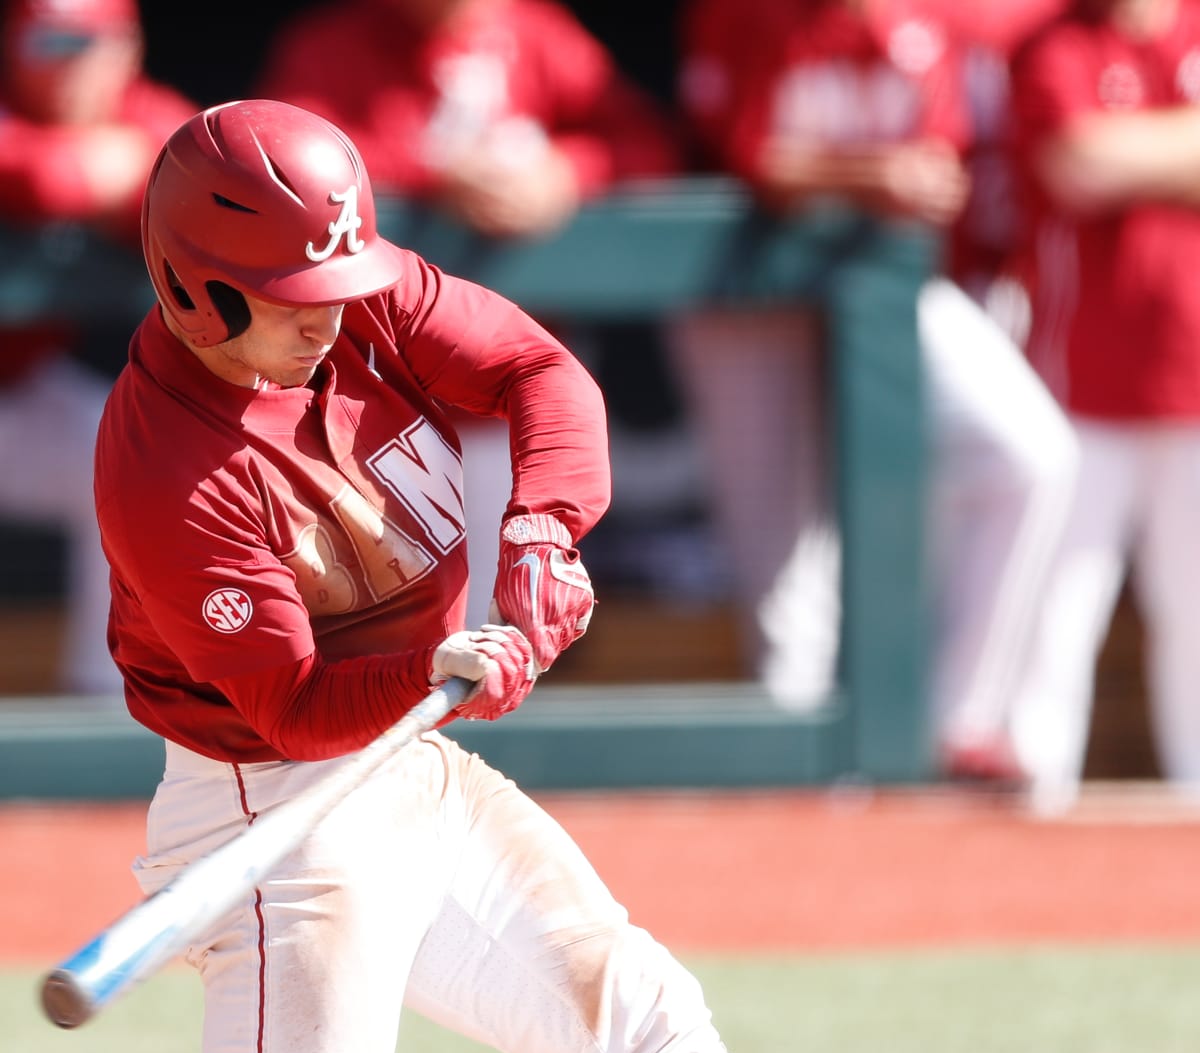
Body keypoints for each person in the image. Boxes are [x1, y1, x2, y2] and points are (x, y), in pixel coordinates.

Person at [55, 98, 825, 1053]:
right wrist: (434, 673)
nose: (330, 319)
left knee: (651, 1027)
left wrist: (541, 526)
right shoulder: (168, 468)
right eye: (290, 303)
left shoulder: (355, 290)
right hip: (274, 808)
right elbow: (293, 709)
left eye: (337, 284)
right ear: (192, 288)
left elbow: (537, 370)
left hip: (408, 770)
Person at [668, 0, 1080, 786]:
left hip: (881, 286)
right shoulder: (745, 15)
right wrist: (866, 175)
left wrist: (903, 181)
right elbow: (748, 156)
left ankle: (954, 722)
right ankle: (810, 803)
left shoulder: (933, 21)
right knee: (787, 581)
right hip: (746, 294)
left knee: (1029, 456)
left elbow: (947, 166)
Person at [255, 0, 683, 627]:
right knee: (377, 633)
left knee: (506, 624)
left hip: (511, 397)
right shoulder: (329, 48)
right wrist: (432, 172)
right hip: (363, 403)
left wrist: (569, 171)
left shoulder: (538, 37)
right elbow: (276, 166)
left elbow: (647, 145)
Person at [1005, 0, 1200, 809]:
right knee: (1053, 614)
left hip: (1193, 384)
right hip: (1076, 385)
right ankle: (1027, 810)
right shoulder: (1057, 41)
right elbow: (1080, 162)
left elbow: (1111, 154)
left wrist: (1137, 149)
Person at [0, 0, 195, 694]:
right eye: (49, 42)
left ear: (128, 49)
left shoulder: (141, 113)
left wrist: (130, 172)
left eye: (89, 43)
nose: (71, 63)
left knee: (133, 458)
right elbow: (35, 176)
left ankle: (105, 697)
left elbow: (211, 173)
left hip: (19, 392)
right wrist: (79, 170)